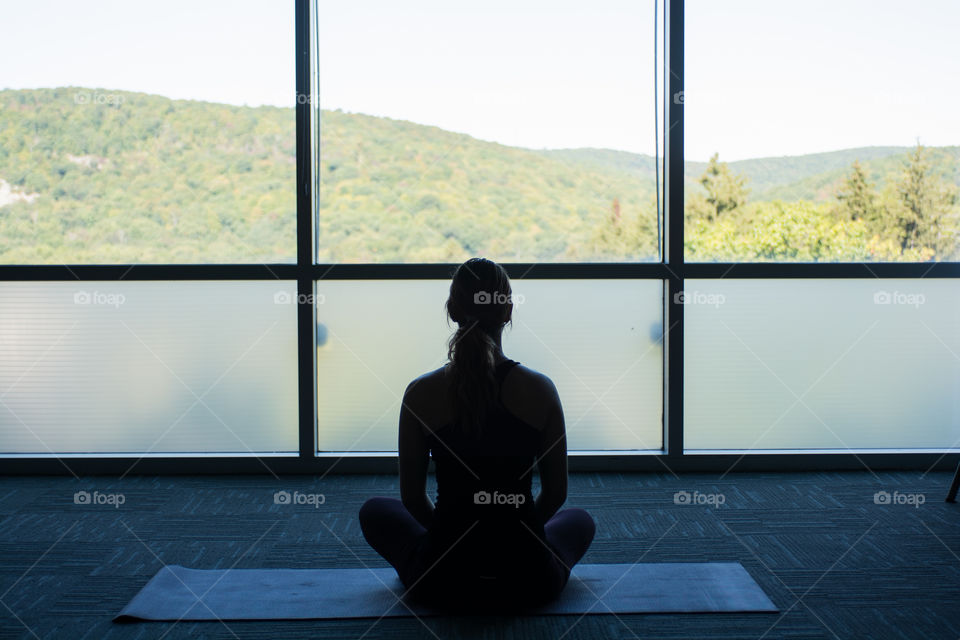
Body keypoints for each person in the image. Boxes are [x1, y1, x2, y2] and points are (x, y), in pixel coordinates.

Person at [359, 257, 595, 613]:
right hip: (528, 579)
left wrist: (451, 535)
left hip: (442, 579)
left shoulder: (420, 393)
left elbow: (412, 498)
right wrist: (513, 531)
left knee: (375, 511)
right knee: (580, 520)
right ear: (508, 311)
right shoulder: (541, 391)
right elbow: (555, 494)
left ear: (452, 311)